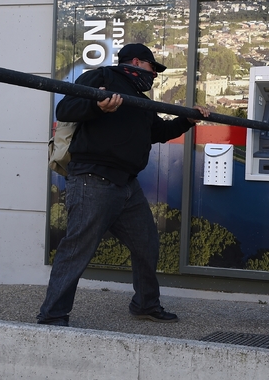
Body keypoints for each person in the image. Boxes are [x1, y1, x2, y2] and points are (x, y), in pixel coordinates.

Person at [37, 43, 210, 326]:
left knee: (146, 245)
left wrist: (187, 120)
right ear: (137, 62)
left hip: (127, 186)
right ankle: (52, 314)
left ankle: (145, 304)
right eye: (153, 68)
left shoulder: (139, 100)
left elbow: (159, 132)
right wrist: (97, 105)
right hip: (92, 179)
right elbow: (66, 108)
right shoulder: (103, 77)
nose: (154, 75)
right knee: (77, 249)